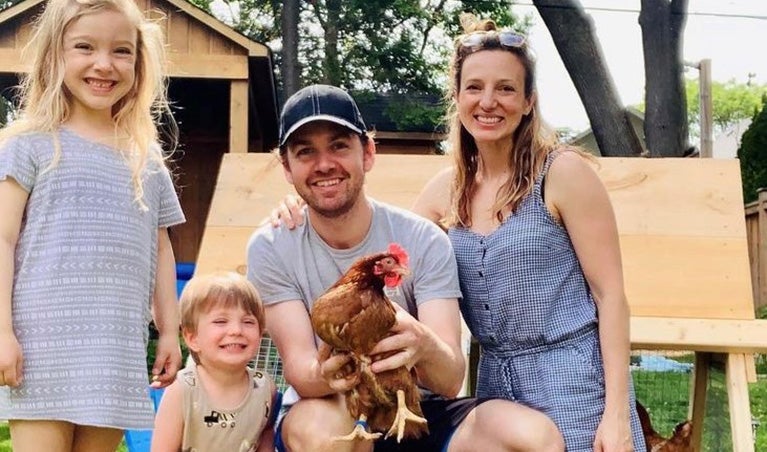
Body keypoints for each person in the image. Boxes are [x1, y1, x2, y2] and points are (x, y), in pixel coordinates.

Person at [247, 83, 564, 452]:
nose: (324, 164)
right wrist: (335, 370)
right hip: (330, 405)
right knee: (329, 437)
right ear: (287, 168)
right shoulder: (273, 246)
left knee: (533, 437)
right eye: (305, 152)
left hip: (414, 406)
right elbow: (303, 373)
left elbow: (449, 380)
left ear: (367, 153)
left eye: (338, 146)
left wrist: (422, 343)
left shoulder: (423, 239)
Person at [411, 14, 646, 451]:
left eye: (505, 88)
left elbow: (610, 295)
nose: (488, 102)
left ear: (528, 101)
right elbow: (387, 250)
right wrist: (297, 211)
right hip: (496, 392)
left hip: (576, 384)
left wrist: (616, 415)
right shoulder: (443, 193)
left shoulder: (563, 174)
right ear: (458, 98)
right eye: (475, 87)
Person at [0, 0, 185, 450]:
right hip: (41, 349)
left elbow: (161, 249)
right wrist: (2, 331)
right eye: (84, 47)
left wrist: (169, 331)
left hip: (112, 352)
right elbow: (2, 239)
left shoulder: (148, 159)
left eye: (121, 51)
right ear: (54, 55)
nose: (104, 64)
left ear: (139, 64)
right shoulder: (29, 144)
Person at [152, 272, 279, 452]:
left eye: (248, 322)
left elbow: (265, 435)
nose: (236, 330)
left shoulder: (265, 389)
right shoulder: (182, 390)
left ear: (260, 335)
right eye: (221, 321)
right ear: (192, 337)